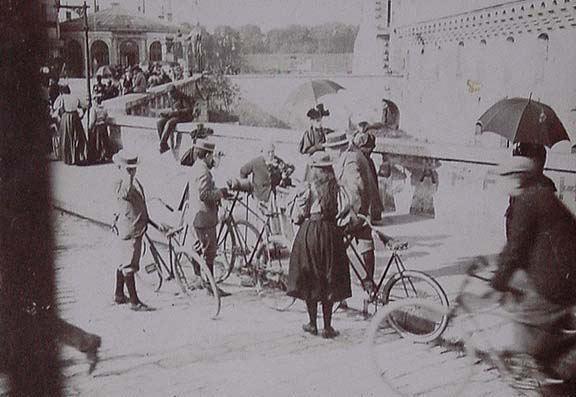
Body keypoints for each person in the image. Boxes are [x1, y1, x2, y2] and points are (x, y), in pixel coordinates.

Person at [491, 156, 576, 371]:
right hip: (562, 271)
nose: (498, 183)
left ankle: (548, 377)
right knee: (521, 295)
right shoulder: (538, 195)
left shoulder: (528, 201)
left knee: (525, 319)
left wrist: (497, 282)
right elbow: (517, 243)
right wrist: (500, 266)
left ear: (516, 179)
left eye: (501, 177)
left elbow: (516, 250)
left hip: (558, 279)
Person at [287, 151, 351, 339]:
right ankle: (328, 327)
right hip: (331, 235)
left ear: (315, 169)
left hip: (311, 233)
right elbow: (345, 209)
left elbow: (300, 211)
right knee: (328, 277)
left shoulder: (308, 188)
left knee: (310, 276)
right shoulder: (337, 188)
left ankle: (312, 324)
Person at [324, 132, 382, 295]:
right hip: (364, 209)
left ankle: (339, 284)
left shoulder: (350, 160)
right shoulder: (351, 155)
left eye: (330, 149)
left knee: (331, 237)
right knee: (365, 243)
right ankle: (369, 283)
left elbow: (356, 190)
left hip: (357, 211)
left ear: (338, 148)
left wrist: (346, 215)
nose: (329, 153)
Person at [186, 139, 231, 297]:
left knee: (199, 247)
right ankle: (211, 287)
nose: (213, 158)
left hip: (196, 216)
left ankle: (199, 279)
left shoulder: (196, 167)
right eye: (211, 155)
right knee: (209, 252)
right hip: (205, 218)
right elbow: (204, 195)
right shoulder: (203, 171)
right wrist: (221, 193)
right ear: (206, 155)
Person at [112, 150, 155, 312]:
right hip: (131, 228)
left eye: (133, 168)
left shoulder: (131, 182)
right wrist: (128, 175)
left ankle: (119, 294)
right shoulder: (122, 183)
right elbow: (125, 193)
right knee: (130, 264)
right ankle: (135, 302)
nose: (133, 171)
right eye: (130, 168)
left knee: (123, 261)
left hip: (133, 225)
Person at [157, 84, 198, 154]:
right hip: (176, 116)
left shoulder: (182, 97)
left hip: (186, 117)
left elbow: (189, 110)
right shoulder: (172, 99)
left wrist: (176, 112)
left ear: (174, 92)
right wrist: (166, 113)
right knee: (159, 122)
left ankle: (162, 143)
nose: (170, 96)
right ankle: (164, 145)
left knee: (170, 122)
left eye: (170, 94)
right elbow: (172, 109)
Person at [52, 84, 87, 165]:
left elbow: (55, 106)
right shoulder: (75, 97)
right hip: (75, 117)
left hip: (66, 117)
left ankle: (69, 158)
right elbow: (84, 106)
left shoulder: (62, 97)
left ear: (62, 91)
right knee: (77, 137)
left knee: (66, 138)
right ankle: (77, 157)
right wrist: (81, 115)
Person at [85, 95, 111, 164]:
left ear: (95, 101)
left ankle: (97, 156)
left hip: (96, 127)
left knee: (96, 142)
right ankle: (103, 156)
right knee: (104, 142)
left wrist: (90, 127)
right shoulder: (104, 108)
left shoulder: (93, 109)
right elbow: (106, 118)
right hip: (103, 126)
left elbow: (92, 120)